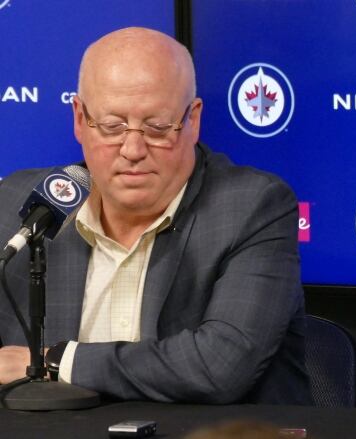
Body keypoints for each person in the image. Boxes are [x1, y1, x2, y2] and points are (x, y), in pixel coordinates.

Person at [0, 27, 312, 405]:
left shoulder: (252, 208)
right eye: (113, 126)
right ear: (80, 119)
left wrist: (54, 361)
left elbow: (219, 366)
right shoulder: (22, 207)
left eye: (157, 127)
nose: (132, 149)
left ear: (193, 120)